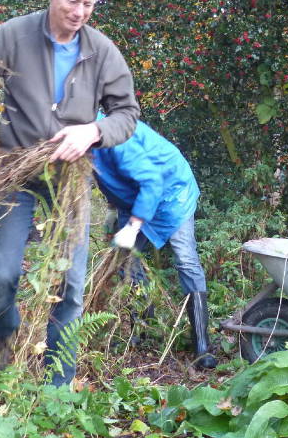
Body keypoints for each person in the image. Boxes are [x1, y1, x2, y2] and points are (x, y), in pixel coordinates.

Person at [0, 0, 139, 385]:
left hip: (69, 179)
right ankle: (0, 346)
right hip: (14, 173)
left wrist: (92, 131)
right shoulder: (11, 36)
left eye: (89, 4)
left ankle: (59, 381)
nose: (80, 13)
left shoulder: (102, 51)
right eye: (73, 1)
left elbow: (126, 114)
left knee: (71, 280)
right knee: (2, 275)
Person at [92, 120, 217, 369]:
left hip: (172, 194)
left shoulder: (116, 137)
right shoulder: (84, 138)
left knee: (185, 259)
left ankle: (202, 346)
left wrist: (133, 226)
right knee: (126, 261)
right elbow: (111, 176)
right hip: (135, 200)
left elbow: (151, 183)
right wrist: (112, 209)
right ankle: (144, 329)